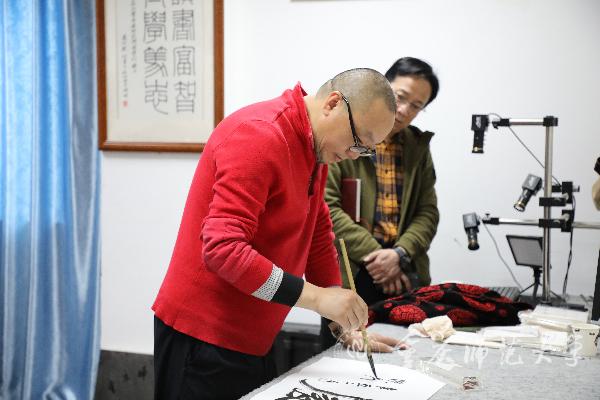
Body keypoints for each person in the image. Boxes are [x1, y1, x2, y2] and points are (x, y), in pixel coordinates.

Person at [152, 68, 399, 399]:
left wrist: (340, 317)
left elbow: (316, 231)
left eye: (366, 149)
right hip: (202, 336)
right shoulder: (260, 135)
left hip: (253, 336)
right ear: (333, 104)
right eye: (357, 141)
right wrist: (318, 298)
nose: (354, 154)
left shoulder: (313, 145)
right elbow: (223, 250)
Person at [325, 57, 440, 308]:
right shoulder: (346, 134)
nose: (404, 110)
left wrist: (399, 254)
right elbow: (326, 209)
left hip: (403, 269)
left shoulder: (418, 147)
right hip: (350, 270)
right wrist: (378, 259)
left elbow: (428, 213)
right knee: (345, 334)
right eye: (400, 97)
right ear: (383, 88)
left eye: (416, 106)